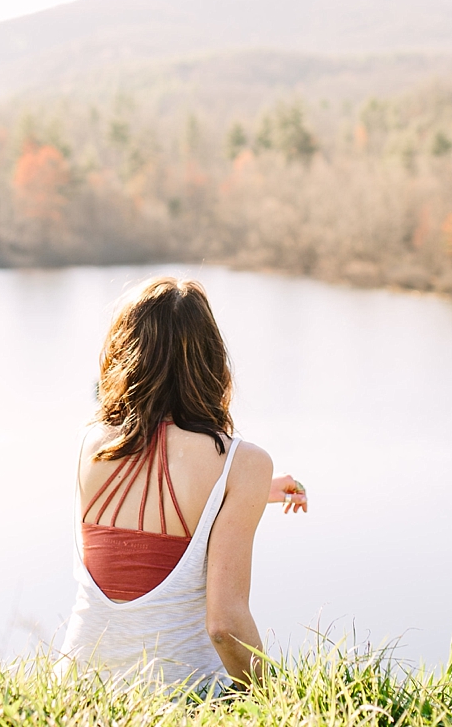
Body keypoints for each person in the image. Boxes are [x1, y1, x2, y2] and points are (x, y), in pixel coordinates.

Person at [58, 276, 307, 692]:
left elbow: (147, 501)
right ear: (211, 358)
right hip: (180, 698)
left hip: (74, 694)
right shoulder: (242, 462)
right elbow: (224, 627)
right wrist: (279, 700)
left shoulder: (89, 441)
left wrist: (254, 492)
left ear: (124, 353)